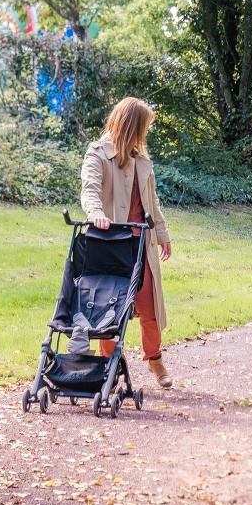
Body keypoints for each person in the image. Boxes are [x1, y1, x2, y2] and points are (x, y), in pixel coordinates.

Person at [80, 97, 174, 388]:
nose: (145, 133)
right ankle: (107, 364)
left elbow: (152, 202)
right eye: (143, 127)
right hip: (111, 244)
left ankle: (155, 359)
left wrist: (162, 234)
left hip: (141, 243)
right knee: (109, 306)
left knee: (150, 307)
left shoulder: (142, 159)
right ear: (132, 125)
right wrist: (96, 213)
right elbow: (89, 189)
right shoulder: (98, 154)